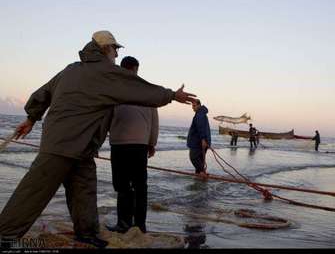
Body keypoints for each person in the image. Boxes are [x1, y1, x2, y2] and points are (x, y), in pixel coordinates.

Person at [0, 31, 196, 249]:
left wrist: (31, 117)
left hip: (81, 148)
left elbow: (43, 93)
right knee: (33, 193)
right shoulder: (106, 72)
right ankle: (4, 236)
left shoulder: (71, 69)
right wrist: (171, 95)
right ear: (106, 49)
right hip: (61, 146)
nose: (116, 53)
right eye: (115, 49)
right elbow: (139, 89)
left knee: (84, 190)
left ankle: (86, 233)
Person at [106, 56, 158, 234]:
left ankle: (123, 223)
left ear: (121, 68)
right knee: (140, 186)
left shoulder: (114, 89)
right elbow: (154, 119)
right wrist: (152, 143)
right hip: (140, 145)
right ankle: (140, 224)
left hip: (119, 144)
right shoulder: (146, 89)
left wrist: (95, 142)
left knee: (122, 186)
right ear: (136, 69)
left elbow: (105, 117)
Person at [187, 99, 211, 176]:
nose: (192, 108)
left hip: (198, 142)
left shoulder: (200, 114)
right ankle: (200, 176)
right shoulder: (201, 113)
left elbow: (200, 127)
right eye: (192, 106)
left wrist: (203, 139)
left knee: (193, 157)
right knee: (200, 160)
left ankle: (202, 173)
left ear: (199, 105)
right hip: (202, 141)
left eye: (194, 106)